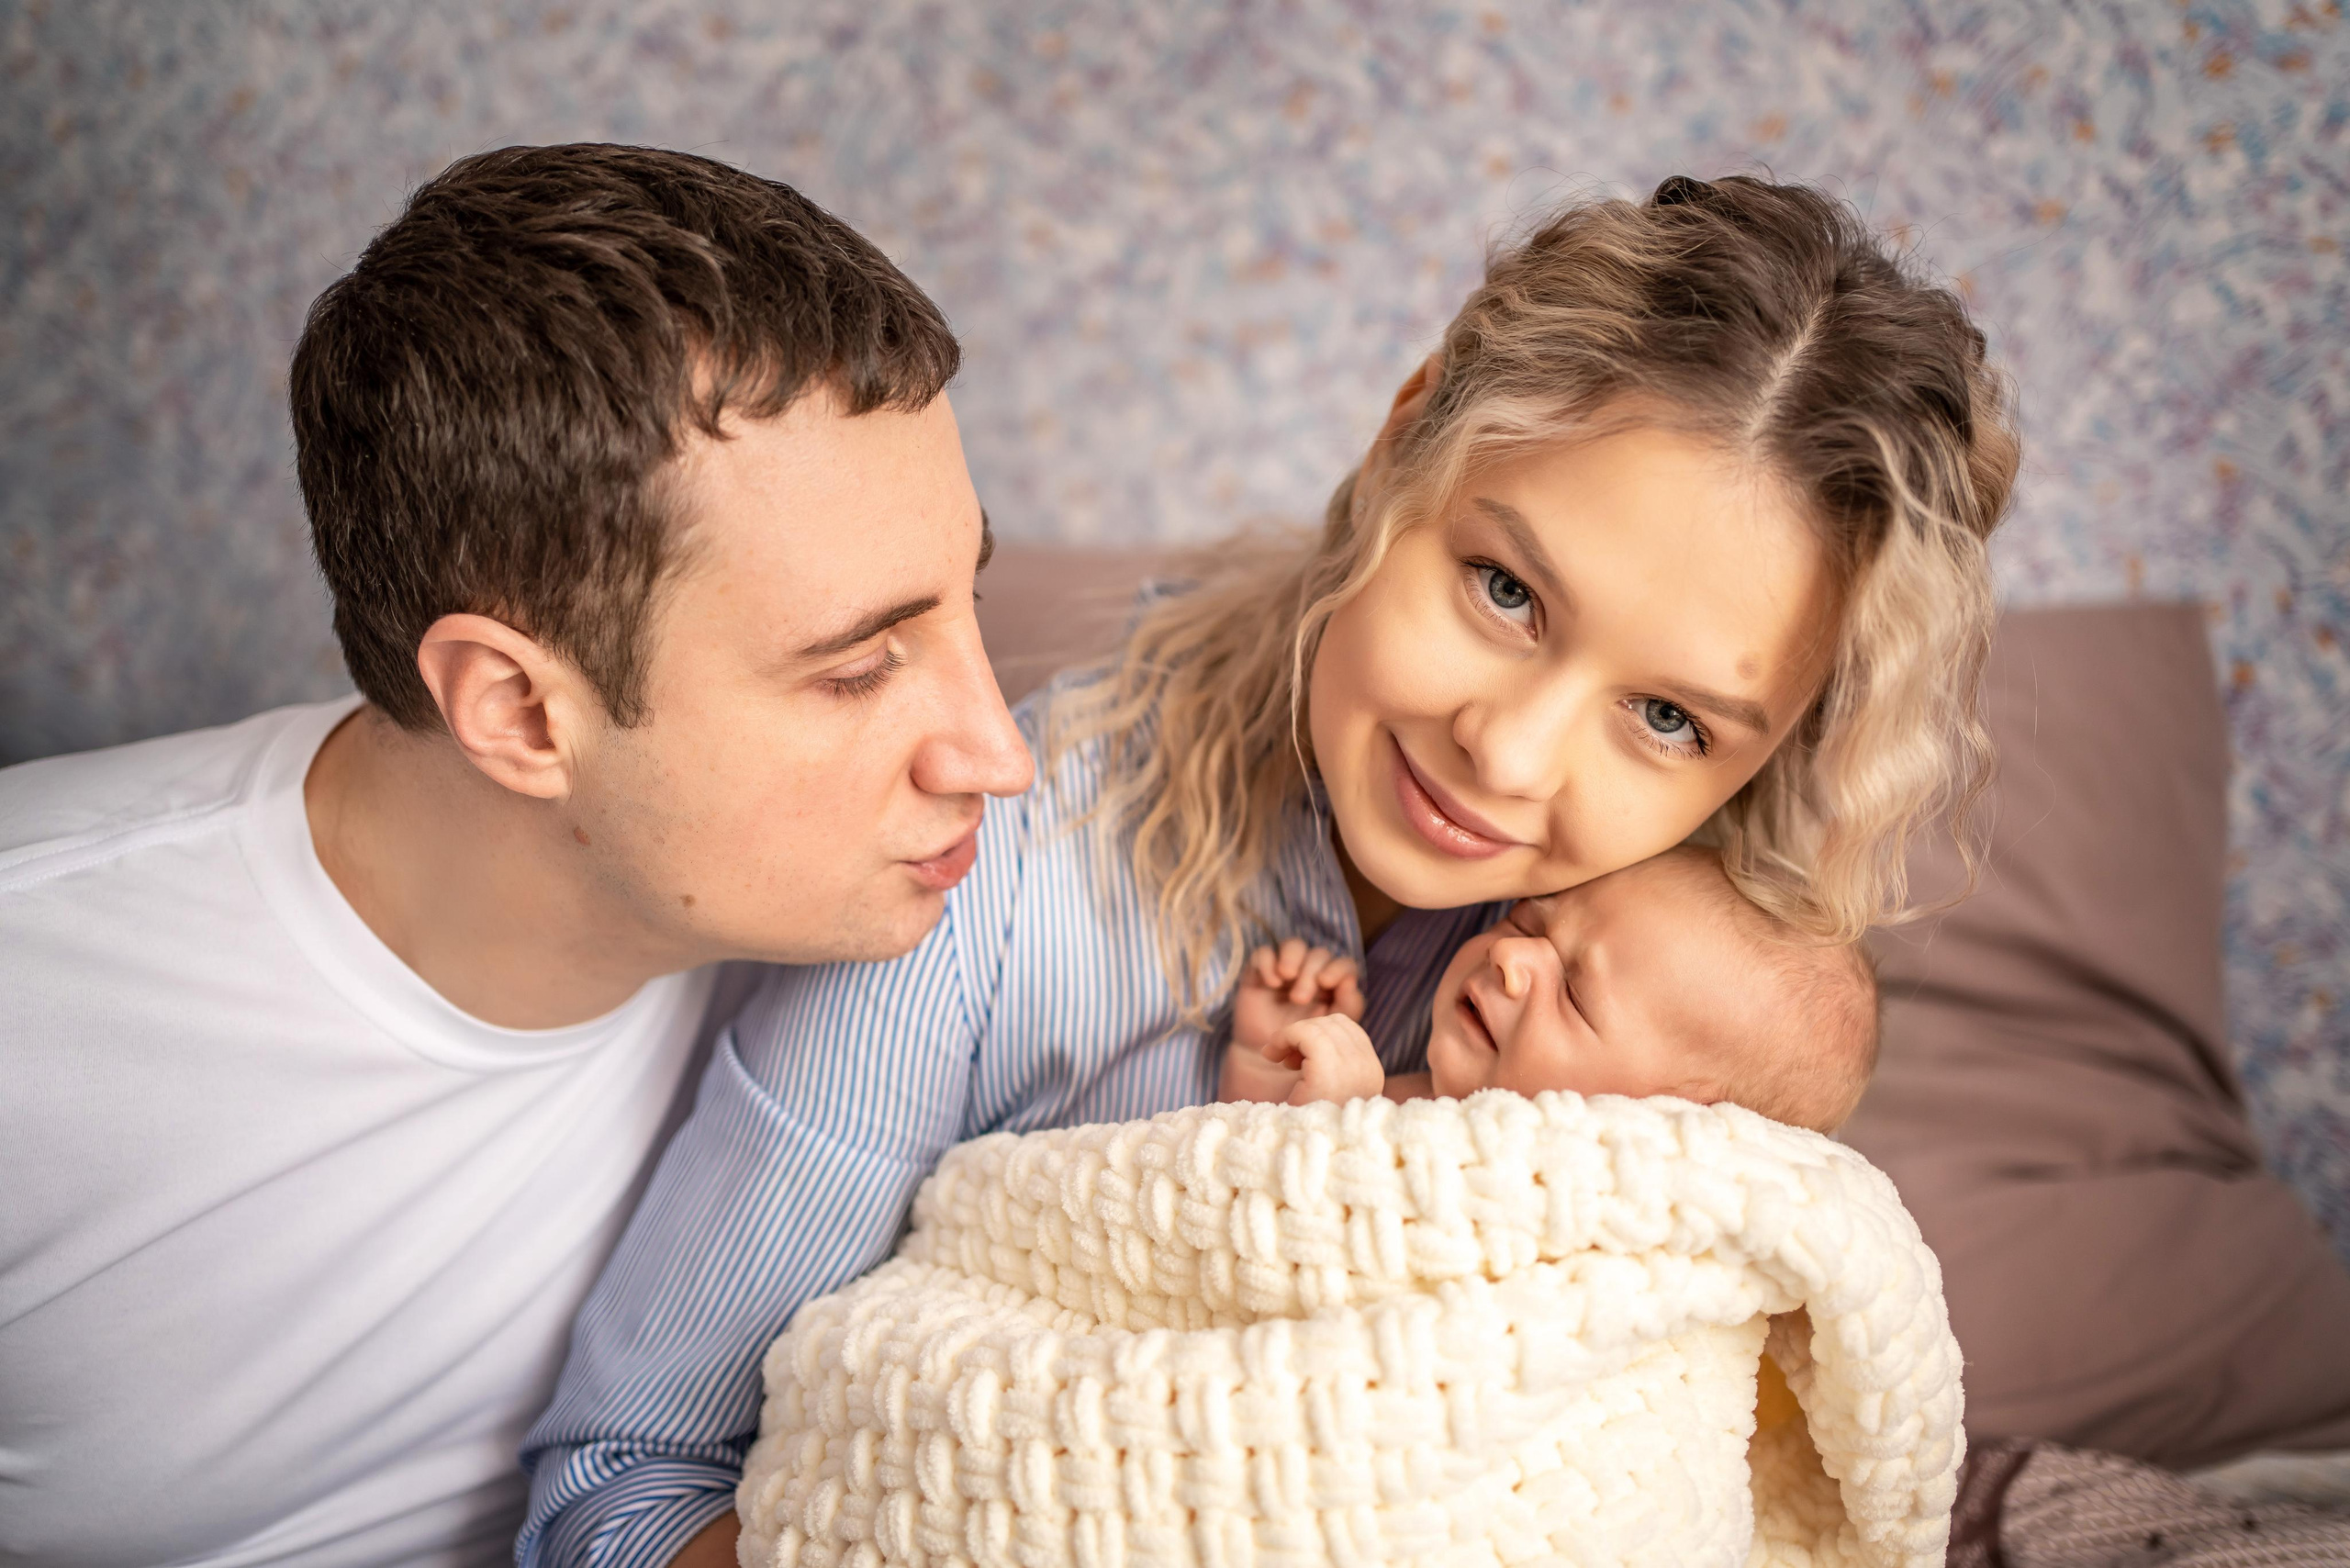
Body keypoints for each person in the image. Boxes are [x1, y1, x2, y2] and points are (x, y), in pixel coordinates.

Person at [523, 173, 2022, 1566]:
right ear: (1403, 439)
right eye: (1506, 589)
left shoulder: (1708, 1035)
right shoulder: (998, 876)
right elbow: (627, 1482)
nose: (1507, 756)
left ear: (1769, 754)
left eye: (1670, 716)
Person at [0, 144, 1030, 1567]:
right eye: (859, 671)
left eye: (966, 606)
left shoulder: (945, 942)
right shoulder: (37, 1007)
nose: (997, 754)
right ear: (518, 710)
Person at [1218, 845, 1879, 1133]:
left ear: (1671, 1122)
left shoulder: (1552, 1205)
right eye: (1529, 919)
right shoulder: (1420, 1094)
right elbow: (1229, 1194)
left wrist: (1332, 1131)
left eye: (1575, 995)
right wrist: (1263, 1060)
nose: (1510, 955)